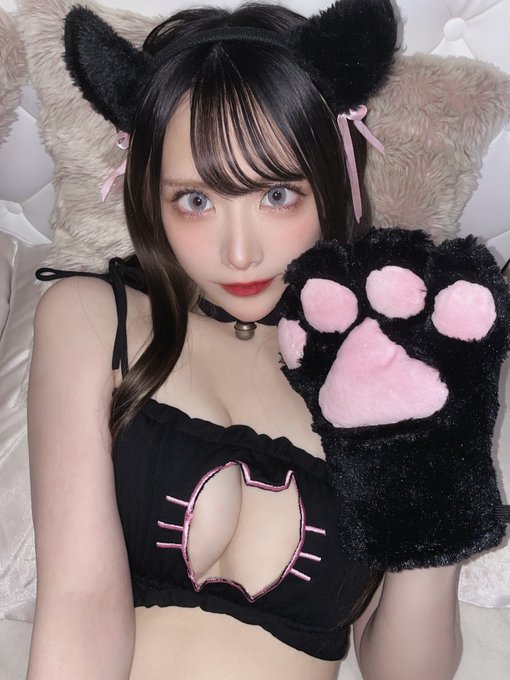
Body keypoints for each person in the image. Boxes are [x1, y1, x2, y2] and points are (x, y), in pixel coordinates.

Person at [26, 2, 467, 679]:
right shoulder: (90, 319)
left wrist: (445, 463)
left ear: (332, 179)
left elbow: (405, 672)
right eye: (196, 200)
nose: (239, 253)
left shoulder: (379, 374)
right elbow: (80, 607)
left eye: (277, 195)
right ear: (150, 194)